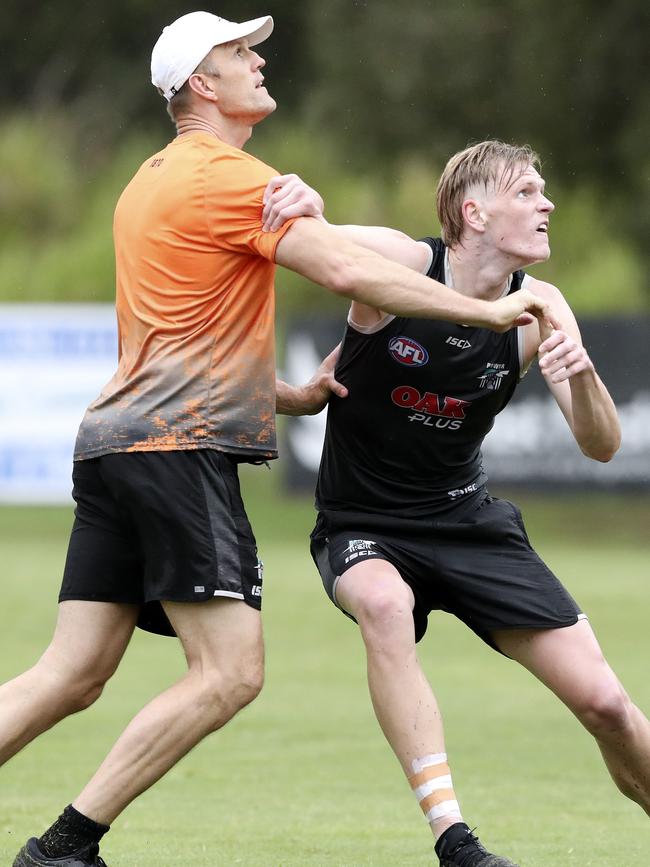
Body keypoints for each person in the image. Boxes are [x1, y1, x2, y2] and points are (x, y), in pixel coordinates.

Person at [4, 12, 554, 867]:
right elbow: (347, 270)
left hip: (112, 443)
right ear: (201, 85)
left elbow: (176, 329)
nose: (258, 60)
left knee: (70, 673)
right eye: (238, 53)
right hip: (176, 450)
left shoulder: (147, 180)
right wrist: (488, 308)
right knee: (230, 671)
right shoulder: (228, 174)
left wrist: (287, 393)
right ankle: (63, 847)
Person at [262, 140, 650, 867]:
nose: (547, 203)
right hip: (362, 522)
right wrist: (305, 203)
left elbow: (601, 444)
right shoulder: (403, 263)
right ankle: (456, 841)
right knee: (382, 604)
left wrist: (585, 376)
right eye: (529, 191)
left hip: (468, 523)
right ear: (474, 212)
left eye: (544, 190)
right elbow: (314, 239)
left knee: (605, 704)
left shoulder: (541, 304)